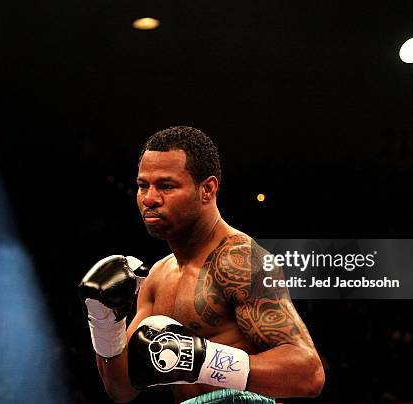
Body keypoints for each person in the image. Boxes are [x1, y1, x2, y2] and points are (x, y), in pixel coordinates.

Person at [79, 126, 324, 403]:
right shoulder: (158, 277)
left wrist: (205, 361)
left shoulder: (240, 260)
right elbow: (121, 389)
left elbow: (308, 373)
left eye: (166, 186)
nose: (149, 199)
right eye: (142, 185)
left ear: (207, 189)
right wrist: (104, 323)